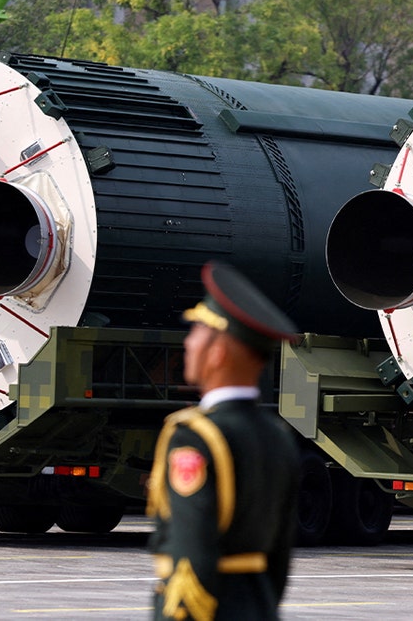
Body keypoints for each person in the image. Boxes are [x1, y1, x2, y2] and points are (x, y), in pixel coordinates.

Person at [147, 260, 302, 621]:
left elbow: (192, 549)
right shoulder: (278, 436)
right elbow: (279, 558)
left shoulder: (195, 436)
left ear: (218, 351)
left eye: (197, 331)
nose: (187, 343)